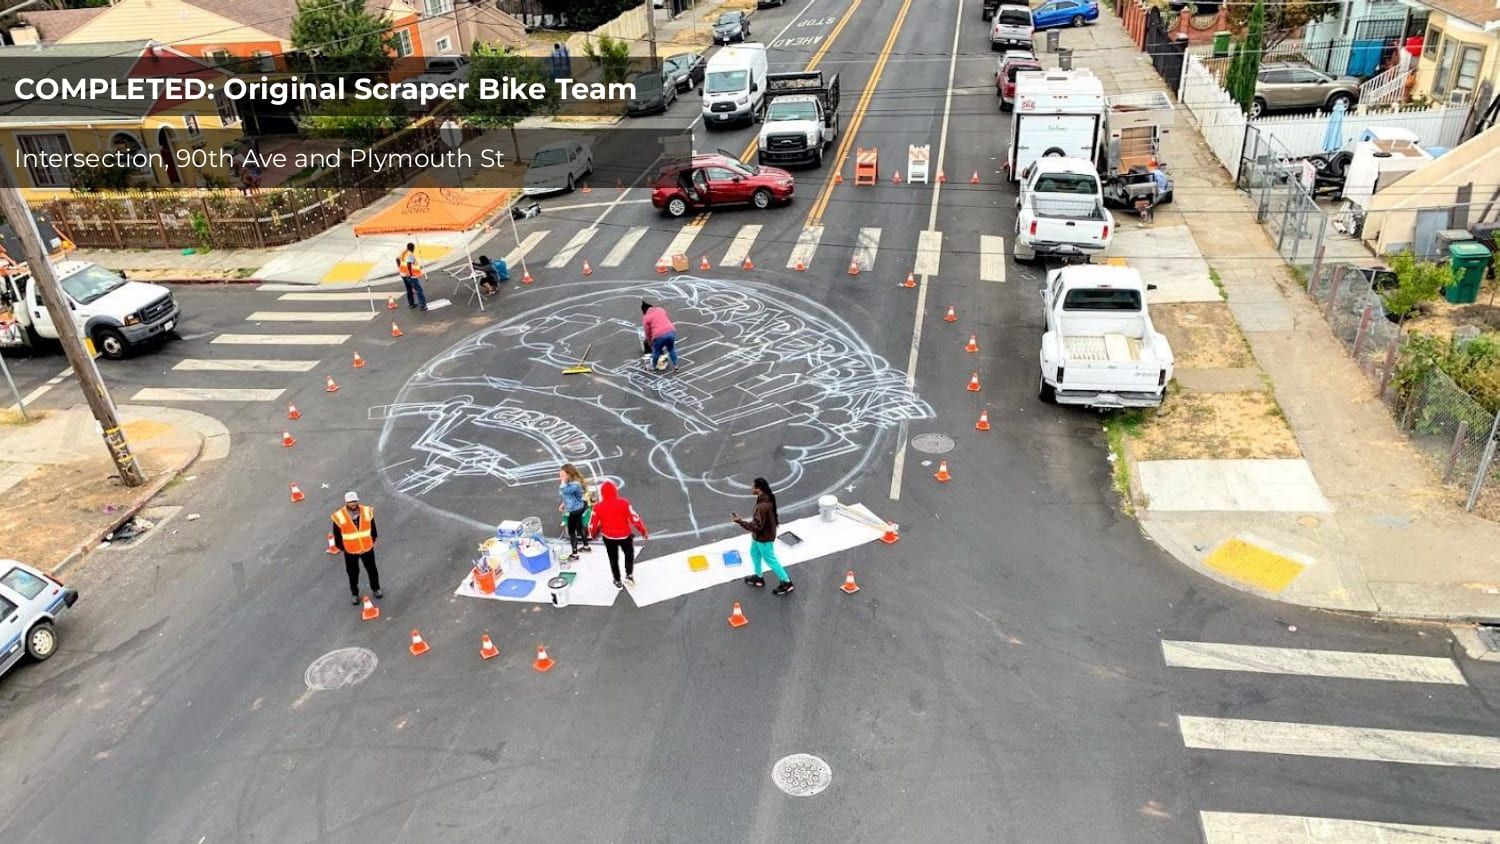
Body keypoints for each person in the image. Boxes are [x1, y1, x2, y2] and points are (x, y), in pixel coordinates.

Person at [734, 477, 793, 595]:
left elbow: (757, 526)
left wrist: (740, 521)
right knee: (754, 553)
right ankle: (758, 577)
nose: (751, 488)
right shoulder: (765, 499)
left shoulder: (762, 506)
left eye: (753, 486)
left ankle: (787, 582)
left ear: (759, 488)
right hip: (759, 537)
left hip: (764, 538)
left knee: (770, 559)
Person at [588, 481, 648, 589]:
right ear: (615, 491)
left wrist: (592, 534)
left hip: (608, 537)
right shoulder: (624, 503)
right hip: (624, 535)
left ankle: (617, 580)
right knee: (629, 555)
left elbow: (593, 524)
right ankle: (629, 575)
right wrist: (642, 530)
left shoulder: (598, 507)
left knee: (613, 558)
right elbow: (635, 518)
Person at [331, 491, 381, 605]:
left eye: (354, 501)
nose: (353, 503)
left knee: (372, 570)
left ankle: (376, 589)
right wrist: (344, 548)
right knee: (353, 574)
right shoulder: (339, 516)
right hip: (350, 551)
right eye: (350, 502)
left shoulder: (367, 512)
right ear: (346, 503)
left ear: (357, 501)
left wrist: (372, 540)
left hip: (367, 548)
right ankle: (355, 594)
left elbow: (373, 529)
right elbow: (337, 536)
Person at [557, 463, 592, 561]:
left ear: (568, 473)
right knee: (580, 526)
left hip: (575, 510)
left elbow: (565, 491)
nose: (560, 476)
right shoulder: (572, 481)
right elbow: (569, 496)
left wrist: (563, 481)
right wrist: (564, 504)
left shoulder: (574, 484)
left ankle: (575, 554)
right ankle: (586, 546)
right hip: (578, 506)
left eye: (562, 474)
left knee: (572, 531)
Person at [641, 300, 679, 373]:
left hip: (659, 335)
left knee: (656, 351)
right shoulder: (660, 309)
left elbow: (647, 332)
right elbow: (667, 318)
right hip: (671, 331)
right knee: (671, 349)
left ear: (644, 311)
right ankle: (676, 366)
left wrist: (650, 342)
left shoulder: (646, 317)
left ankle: (653, 367)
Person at [396, 242, 428, 311]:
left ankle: (411, 304)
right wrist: (410, 274)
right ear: (412, 248)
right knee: (419, 290)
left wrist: (399, 268)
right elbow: (409, 263)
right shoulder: (410, 254)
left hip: (403, 274)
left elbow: (397, 259)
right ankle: (423, 305)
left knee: (409, 290)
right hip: (410, 276)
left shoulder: (403, 252)